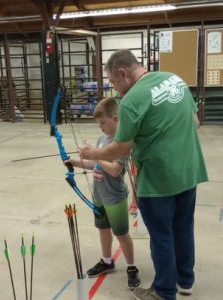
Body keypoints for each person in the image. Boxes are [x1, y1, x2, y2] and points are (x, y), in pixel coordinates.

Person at [78, 49, 208, 300]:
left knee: (161, 236)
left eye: (114, 83)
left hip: (158, 180)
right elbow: (195, 121)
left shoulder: (132, 99)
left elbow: (121, 148)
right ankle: (185, 281)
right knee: (183, 227)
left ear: (123, 73)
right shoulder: (174, 80)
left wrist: (93, 154)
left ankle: (164, 292)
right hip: (189, 170)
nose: (116, 90)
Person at [66, 97, 140, 290]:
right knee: (103, 230)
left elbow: (115, 169)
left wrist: (95, 155)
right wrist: (75, 162)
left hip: (114, 197)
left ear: (115, 119)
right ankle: (107, 261)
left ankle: (131, 267)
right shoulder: (101, 140)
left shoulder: (121, 142)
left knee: (122, 234)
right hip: (99, 195)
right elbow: (94, 164)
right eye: (98, 123)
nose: (100, 127)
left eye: (103, 123)